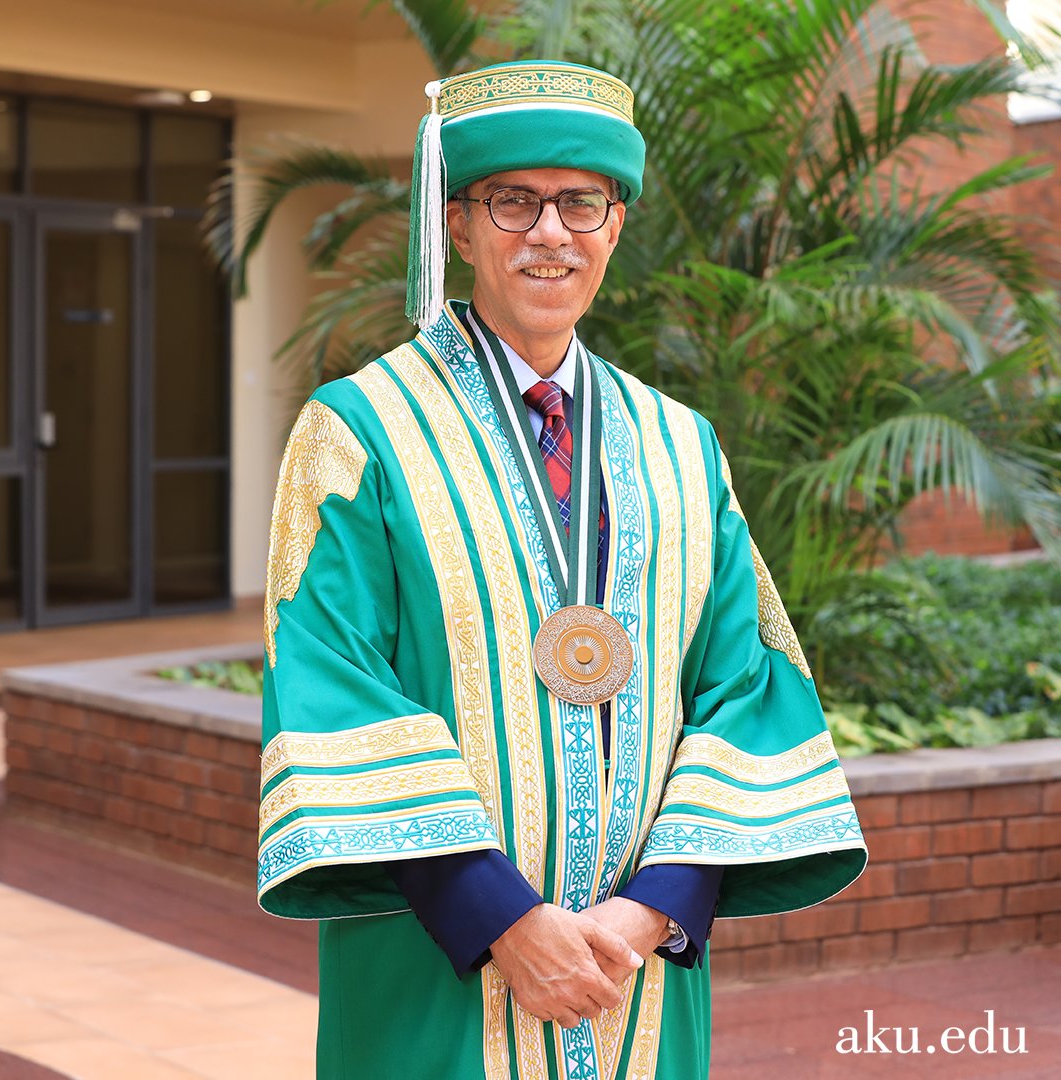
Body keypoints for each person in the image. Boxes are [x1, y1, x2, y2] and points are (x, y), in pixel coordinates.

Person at [259, 60, 867, 1080]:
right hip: (437, 965)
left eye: (581, 202)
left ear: (616, 223)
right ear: (456, 225)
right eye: (513, 201)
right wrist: (501, 917)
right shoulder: (360, 431)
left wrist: (655, 908)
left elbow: (747, 684)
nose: (551, 232)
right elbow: (329, 685)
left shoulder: (681, 445)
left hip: (641, 971)